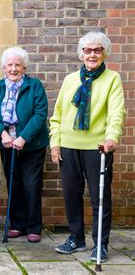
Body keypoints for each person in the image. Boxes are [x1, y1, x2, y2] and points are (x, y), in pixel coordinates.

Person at [50, 32, 125, 262]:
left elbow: (116, 113)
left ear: (104, 53)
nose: (92, 54)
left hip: (98, 147)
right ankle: (76, 239)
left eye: (97, 50)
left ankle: (100, 244)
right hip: (69, 146)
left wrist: (111, 138)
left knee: (99, 197)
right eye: (88, 50)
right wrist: (55, 142)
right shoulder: (70, 79)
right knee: (71, 195)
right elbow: (58, 114)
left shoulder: (112, 79)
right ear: (81, 54)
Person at [0, 47, 49, 243]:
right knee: (14, 183)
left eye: (17, 65)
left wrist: (23, 137)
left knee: (31, 184)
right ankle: (17, 225)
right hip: (7, 142)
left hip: (31, 144)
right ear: (4, 67)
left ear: (24, 67)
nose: (13, 69)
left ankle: (33, 227)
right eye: (10, 65)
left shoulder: (34, 85)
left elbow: (40, 114)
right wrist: (3, 134)